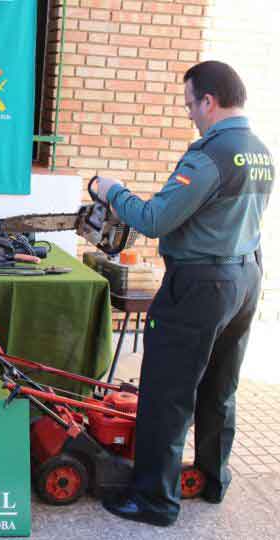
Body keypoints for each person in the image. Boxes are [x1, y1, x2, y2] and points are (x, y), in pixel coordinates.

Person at [96, 61, 275, 526]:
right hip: (246, 277)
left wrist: (112, 190)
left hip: (199, 285)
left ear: (209, 102)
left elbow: (154, 219)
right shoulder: (259, 151)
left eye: (190, 105)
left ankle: (155, 500)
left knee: (167, 392)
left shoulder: (210, 157)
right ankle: (213, 478)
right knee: (220, 385)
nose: (190, 114)